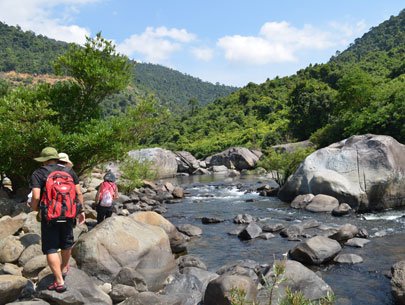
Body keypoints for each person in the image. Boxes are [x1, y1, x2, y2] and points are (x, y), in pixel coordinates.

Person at [29, 147, 85, 293]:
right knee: (66, 245)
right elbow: (78, 193)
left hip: (50, 216)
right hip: (68, 214)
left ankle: (59, 281)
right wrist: (81, 211)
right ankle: (64, 268)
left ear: (44, 160)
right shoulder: (69, 171)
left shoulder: (39, 173)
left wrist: (35, 209)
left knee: (51, 248)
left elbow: (35, 196)